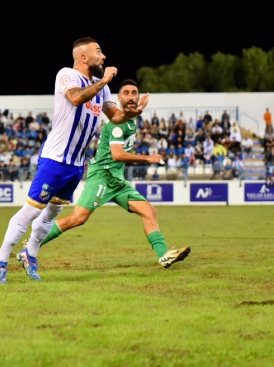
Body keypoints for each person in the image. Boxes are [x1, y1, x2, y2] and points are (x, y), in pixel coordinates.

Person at [0, 37, 149, 284]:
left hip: (76, 165)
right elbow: (75, 98)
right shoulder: (67, 75)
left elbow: (114, 117)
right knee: (32, 210)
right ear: (84, 57)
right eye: (98, 51)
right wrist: (105, 80)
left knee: (52, 212)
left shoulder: (103, 88)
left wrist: (132, 111)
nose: (103, 56)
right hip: (55, 159)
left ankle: (30, 255)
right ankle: (0, 259)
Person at [26, 79, 190, 271]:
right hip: (102, 176)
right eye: (126, 93)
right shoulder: (115, 125)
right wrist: (149, 158)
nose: (131, 97)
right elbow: (117, 154)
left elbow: (136, 109)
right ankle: (31, 245)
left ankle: (164, 256)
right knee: (78, 218)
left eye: (134, 93)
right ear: (118, 99)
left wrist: (144, 103)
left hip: (117, 180)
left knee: (149, 211)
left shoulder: (132, 115)